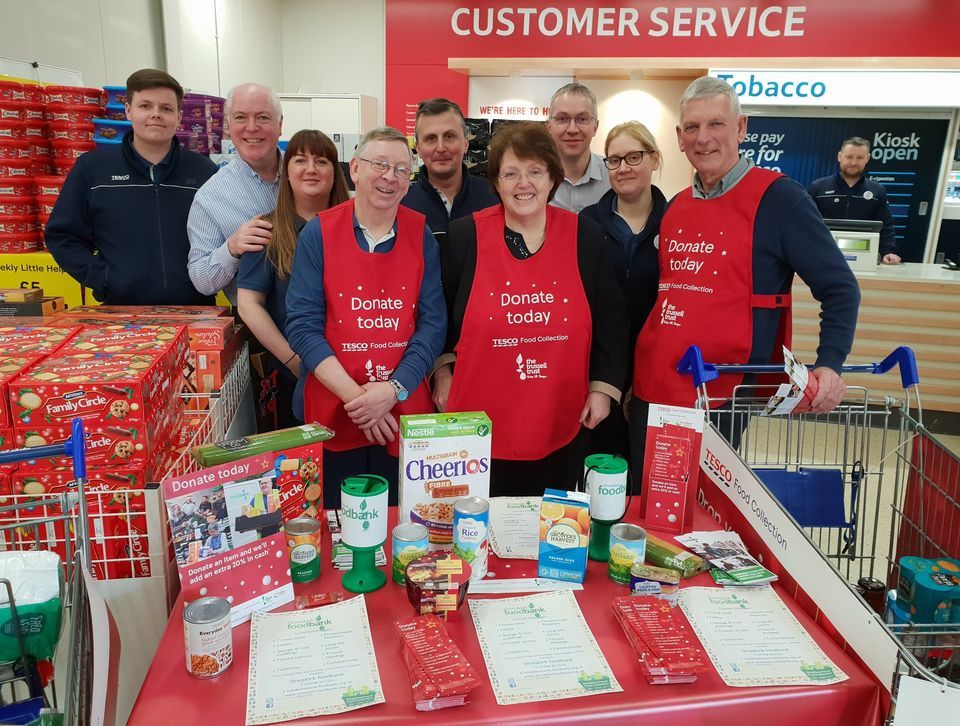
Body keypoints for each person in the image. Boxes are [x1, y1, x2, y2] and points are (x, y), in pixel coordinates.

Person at [630, 76, 860, 481]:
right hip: (653, 383)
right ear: (680, 138)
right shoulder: (678, 205)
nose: (703, 138)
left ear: (741, 128)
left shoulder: (781, 199)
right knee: (641, 495)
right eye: (692, 127)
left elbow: (840, 288)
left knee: (694, 506)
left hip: (722, 393)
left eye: (716, 124)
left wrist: (829, 363)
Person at [433, 122, 628, 497]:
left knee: (547, 527)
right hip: (478, 419)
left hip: (561, 413)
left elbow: (611, 319)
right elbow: (438, 314)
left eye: (535, 171)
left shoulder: (585, 237)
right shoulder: (463, 237)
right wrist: (443, 369)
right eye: (511, 173)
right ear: (496, 182)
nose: (524, 183)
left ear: (553, 177)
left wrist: (603, 389)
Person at [285, 126, 446, 508]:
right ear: (355, 168)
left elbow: (432, 324)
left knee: (402, 522)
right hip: (334, 407)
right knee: (338, 525)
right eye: (380, 164)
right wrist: (361, 402)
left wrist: (392, 391)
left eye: (402, 170)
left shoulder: (421, 235)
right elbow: (302, 326)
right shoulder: (318, 233)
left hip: (400, 410)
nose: (390, 176)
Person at [45, 69, 217, 304]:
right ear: (128, 111)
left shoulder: (204, 172)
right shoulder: (93, 169)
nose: (155, 115)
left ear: (178, 117)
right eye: (145, 106)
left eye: (166, 108)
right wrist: (103, 277)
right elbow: (62, 236)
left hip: (196, 313)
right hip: (121, 314)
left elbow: (226, 237)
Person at [237, 130, 350, 429]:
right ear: (286, 173)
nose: (311, 169)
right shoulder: (267, 230)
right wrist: (295, 360)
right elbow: (249, 304)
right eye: (300, 160)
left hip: (354, 372)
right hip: (292, 377)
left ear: (335, 173)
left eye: (322, 161)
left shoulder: (356, 229)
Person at [580, 121, 666, 462]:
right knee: (598, 464)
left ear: (655, 160)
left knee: (644, 468)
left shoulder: (676, 221)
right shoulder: (587, 224)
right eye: (614, 160)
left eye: (634, 156)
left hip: (656, 368)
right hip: (596, 369)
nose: (623, 168)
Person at [187, 82, 284, 303]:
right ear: (228, 126)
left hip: (323, 321)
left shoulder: (308, 175)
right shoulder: (209, 198)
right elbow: (201, 281)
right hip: (257, 325)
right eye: (241, 117)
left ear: (280, 124)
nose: (252, 127)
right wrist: (231, 249)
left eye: (263, 117)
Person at [401, 98, 498, 243]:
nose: (441, 148)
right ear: (418, 148)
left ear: (465, 143)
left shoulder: (494, 198)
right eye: (431, 138)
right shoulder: (402, 203)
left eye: (449, 136)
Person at [807, 137, 901, 264]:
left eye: (860, 158)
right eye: (849, 157)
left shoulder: (877, 191)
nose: (853, 162)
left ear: (867, 159)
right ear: (840, 156)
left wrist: (888, 251)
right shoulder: (818, 187)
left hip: (863, 257)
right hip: (821, 255)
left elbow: (885, 225)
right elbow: (805, 223)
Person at [546, 82, 610, 213]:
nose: (572, 129)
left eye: (582, 119)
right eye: (562, 118)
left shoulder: (614, 176)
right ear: (549, 127)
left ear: (595, 127)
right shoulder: (531, 179)